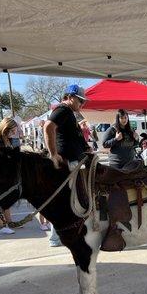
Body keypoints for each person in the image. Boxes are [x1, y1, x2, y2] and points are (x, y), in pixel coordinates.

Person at [44, 84, 90, 246]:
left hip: (73, 160)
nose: (82, 104)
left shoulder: (69, 113)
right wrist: (53, 154)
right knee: (64, 200)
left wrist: (86, 148)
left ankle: (63, 235)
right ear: (70, 97)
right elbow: (48, 127)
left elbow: (74, 136)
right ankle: (56, 237)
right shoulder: (63, 110)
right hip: (67, 162)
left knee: (71, 199)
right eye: (80, 100)